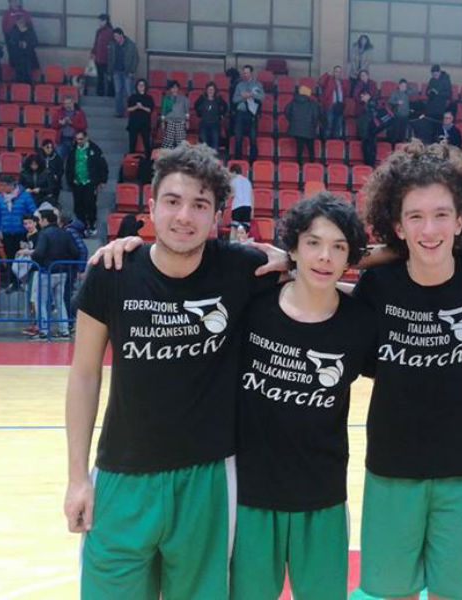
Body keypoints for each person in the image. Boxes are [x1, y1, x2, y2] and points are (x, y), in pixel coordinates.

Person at [64, 143, 281, 600]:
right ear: (151, 207)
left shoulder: (240, 268)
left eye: (200, 205)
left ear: (217, 215)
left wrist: (291, 258)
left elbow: (332, 258)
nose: (184, 216)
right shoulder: (111, 272)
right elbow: (84, 375)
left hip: (207, 478)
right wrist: (77, 478)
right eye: (173, 201)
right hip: (122, 476)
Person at [355, 142, 462, 600]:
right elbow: (356, 356)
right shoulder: (377, 286)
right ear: (398, 226)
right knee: (393, 592)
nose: (429, 229)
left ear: (461, 220)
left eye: (441, 214)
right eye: (415, 216)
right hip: (392, 468)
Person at [231, 194, 375, 600]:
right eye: (313, 243)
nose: (324, 256)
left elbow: (410, 369)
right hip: (250, 497)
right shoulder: (252, 308)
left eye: (338, 247)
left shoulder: (361, 324)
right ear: (291, 247)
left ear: (350, 258)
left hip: (322, 497)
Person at [25, 209, 79, 339]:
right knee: (60, 302)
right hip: (62, 272)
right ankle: (64, 330)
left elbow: (39, 253)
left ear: (45, 220)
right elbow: (75, 252)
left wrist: (33, 256)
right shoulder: (65, 233)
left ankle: (43, 330)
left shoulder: (44, 234)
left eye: (40, 220)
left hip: (46, 271)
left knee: (40, 301)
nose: (39, 222)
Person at [0, 175, 37, 290]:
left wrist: (30, 227)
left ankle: (23, 281)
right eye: (1, 185)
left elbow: (33, 212)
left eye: (4, 185)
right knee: (10, 258)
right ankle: (12, 282)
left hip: (22, 233)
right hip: (7, 233)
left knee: (22, 258)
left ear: (12, 185)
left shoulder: (25, 196)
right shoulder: (0, 199)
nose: (2, 188)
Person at [65, 132, 108, 237]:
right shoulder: (72, 150)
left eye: (81, 139)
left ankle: (92, 225)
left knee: (90, 204)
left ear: (86, 138)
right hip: (77, 182)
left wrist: (103, 180)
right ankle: (81, 226)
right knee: (78, 206)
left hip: (90, 182)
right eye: (77, 139)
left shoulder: (95, 150)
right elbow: (68, 166)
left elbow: (102, 165)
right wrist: (70, 180)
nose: (79, 141)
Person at [231, 65, 264, 161]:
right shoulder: (239, 85)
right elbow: (234, 100)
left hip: (252, 114)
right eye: (244, 73)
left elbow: (261, 97)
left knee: (253, 138)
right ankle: (238, 160)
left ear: (251, 73)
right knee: (238, 137)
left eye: (247, 73)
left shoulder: (257, 84)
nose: (245, 75)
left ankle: (253, 162)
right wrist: (243, 97)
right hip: (240, 113)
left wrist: (251, 95)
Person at [285, 86, 321, 164]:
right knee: (310, 147)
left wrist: (293, 121)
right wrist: (314, 125)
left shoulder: (293, 102)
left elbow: (287, 112)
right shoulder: (313, 104)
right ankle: (312, 164)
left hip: (297, 129)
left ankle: (299, 164)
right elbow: (316, 116)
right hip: (309, 129)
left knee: (299, 147)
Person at [108, 27, 139, 118]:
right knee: (118, 92)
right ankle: (119, 112)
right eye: (114, 36)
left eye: (116, 36)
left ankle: (131, 112)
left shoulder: (131, 45)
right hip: (116, 71)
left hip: (127, 72)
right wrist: (110, 71)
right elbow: (110, 59)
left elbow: (136, 59)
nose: (115, 38)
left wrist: (132, 71)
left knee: (129, 92)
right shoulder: (113, 45)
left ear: (121, 35)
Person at [194, 82, 228, 152]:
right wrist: (199, 114)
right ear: (206, 90)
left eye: (212, 89)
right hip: (204, 123)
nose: (210, 91)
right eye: (209, 89)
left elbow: (226, 107)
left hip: (215, 124)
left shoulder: (218, 99)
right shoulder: (202, 99)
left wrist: (221, 115)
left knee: (215, 144)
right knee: (203, 144)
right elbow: (195, 106)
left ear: (215, 90)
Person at [319, 65, 348, 140]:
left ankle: (336, 142)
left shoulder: (343, 82)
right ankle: (326, 141)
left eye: (339, 72)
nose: (338, 73)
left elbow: (346, 93)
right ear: (333, 72)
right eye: (336, 71)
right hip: (330, 105)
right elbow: (320, 82)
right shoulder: (329, 80)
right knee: (329, 124)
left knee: (338, 125)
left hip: (340, 106)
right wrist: (327, 74)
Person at [126, 78, 154, 156]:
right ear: (137, 86)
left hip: (145, 123)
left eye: (142, 85)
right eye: (139, 85)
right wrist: (136, 107)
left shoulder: (149, 98)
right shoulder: (132, 97)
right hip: (133, 123)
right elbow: (129, 109)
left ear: (145, 87)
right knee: (132, 143)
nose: (141, 87)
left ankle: (148, 159)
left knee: (146, 143)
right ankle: (131, 158)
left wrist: (141, 107)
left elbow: (149, 110)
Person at [5, 16, 37, 84]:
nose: (20, 23)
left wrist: (27, 44)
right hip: (17, 57)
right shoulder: (13, 31)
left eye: (22, 21)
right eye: (18, 22)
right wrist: (17, 44)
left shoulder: (30, 31)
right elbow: (10, 43)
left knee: (28, 74)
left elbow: (35, 42)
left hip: (28, 57)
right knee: (18, 75)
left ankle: (28, 88)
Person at [160, 80, 189, 149]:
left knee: (181, 143)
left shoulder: (184, 98)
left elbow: (187, 112)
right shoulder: (166, 99)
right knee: (168, 143)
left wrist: (187, 121)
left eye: (176, 88)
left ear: (178, 89)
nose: (174, 89)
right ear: (170, 89)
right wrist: (162, 122)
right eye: (173, 88)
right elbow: (163, 112)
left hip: (181, 122)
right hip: (170, 122)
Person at [387, 79, 417, 144]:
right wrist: (397, 102)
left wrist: (409, 87)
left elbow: (415, 91)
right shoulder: (394, 93)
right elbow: (390, 101)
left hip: (405, 115)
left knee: (403, 132)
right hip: (397, 115)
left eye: (405, 86)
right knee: (396, 132)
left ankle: (401, 144)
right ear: (399, 85)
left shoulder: (407, 92)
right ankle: (394, 145)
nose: (403, 87)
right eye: (402, 86)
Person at [90, 14, 113, 97]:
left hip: (108, 60)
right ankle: (100, 93)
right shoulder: (98, 31)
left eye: (100, 21)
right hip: (98, 59)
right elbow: (95, 43)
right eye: (98, 21)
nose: (99, 23)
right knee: (100, 77)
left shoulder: (111, 32)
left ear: (105, 21)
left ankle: (111, 94)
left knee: (110, 77)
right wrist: (93, 53)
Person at [37, 139, 64, 204]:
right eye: (47, 147)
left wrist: (56, 176)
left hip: (54, 183)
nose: (50, 149)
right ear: (43, 147)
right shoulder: (38, 157)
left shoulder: (57, 158)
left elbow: (61, 170)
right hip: (41, 183)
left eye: (51, 148)